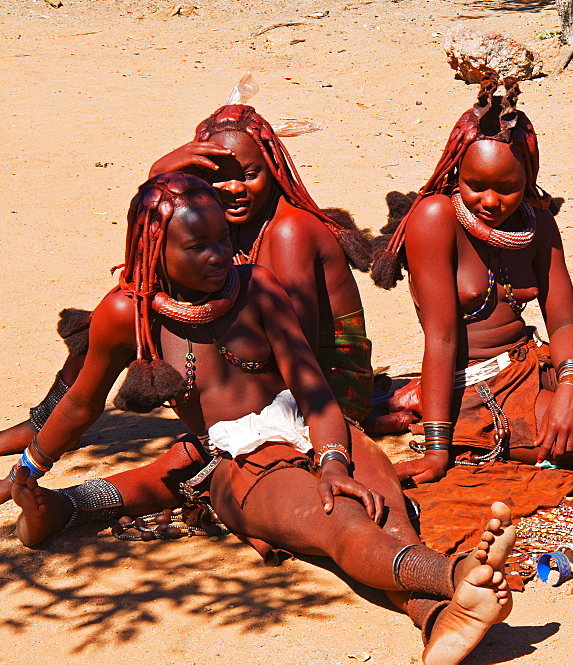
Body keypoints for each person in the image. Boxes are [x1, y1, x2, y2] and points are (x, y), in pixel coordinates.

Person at [9, 173, 515, 664]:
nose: (219, 255)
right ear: (154, 251)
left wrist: (335, 461)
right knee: (341, 524)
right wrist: (27, 471)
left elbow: (312, 388)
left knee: (388, 514)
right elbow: (80, 404)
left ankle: (436, 617)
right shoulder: (128, 314)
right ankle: (457, 575)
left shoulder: (257, 285)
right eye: (197, 246)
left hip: (319, 429)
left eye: (223, 239)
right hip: (240, 464)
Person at [0, 104, 381, 506]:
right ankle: (45, 429)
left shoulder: (287, 231)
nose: (235, 188)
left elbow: (295, 361)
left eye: (250, 175)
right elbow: (159, 223)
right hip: (269, 387)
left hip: (321, 393)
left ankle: (66, 499)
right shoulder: (227, 226)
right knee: (127, 309)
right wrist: (159, 174)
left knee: (185, 458)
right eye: (218, 180)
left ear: (273, 170)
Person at [370, 74, 573, 485]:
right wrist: (439, 449)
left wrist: (568, 391)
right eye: (475, 185)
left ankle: (564, 413)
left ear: (527, 178)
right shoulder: (435, 219)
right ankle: (438, 406)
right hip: (477, 389)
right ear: (456, 171)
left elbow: (563, 322)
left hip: (532, 360)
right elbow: (441, 339)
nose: (489, 201)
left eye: (506, 188)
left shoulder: (536, 219)